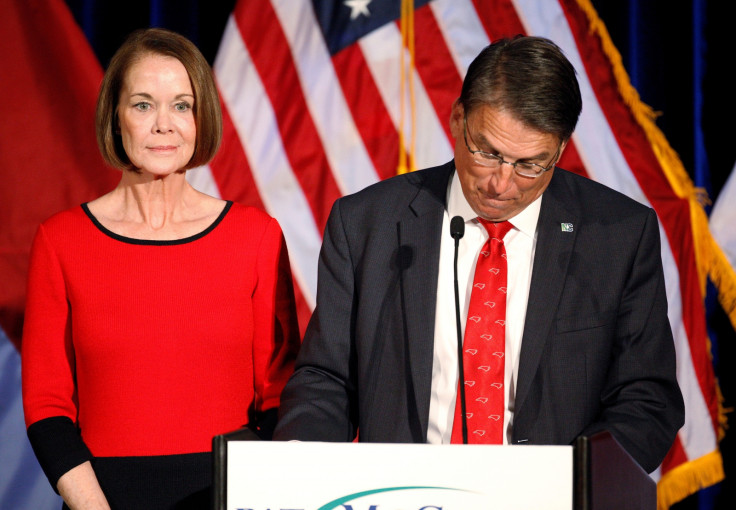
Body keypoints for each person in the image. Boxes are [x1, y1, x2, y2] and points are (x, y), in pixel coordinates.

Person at [273, 36, 684, 474]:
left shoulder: (617, 236)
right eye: (487, 152)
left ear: (561, 150)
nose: (501, 184)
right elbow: (325, 382)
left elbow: (646, 398)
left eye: (530, 164)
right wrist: (304, 473)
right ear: (457, 119)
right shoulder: (366, 224)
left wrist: (573, 483)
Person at [21, 28, 300, 509]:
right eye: (144, 104)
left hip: (229, 494)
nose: (163, 125)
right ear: (116, 117)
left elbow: (280, 390)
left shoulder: (256, 236)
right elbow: (47, 406)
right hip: (102, 498)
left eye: (182, 105)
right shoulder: (60, 240)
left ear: (201, 118)